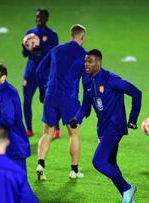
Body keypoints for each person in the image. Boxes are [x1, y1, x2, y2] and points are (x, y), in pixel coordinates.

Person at [72, 49, 141, 203]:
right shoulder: (87, 80)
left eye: (89, 61)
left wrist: (132, 120)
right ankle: (127, 196)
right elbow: (85, 107)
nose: (86, 65)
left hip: (115, 126)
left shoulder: (111, 79)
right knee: (110, 163)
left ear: (99, 63)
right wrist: (77, 118)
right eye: (85, 61)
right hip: (102, 127)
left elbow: (137, 93)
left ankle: (127, 188)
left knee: (99, 162)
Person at [35, 24, 86, 180]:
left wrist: (43, 91)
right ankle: (74, 170)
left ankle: (41, 164)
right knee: (74, 134)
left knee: (47, 133)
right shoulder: (84, 55)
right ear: (82, 37)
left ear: (71, 35)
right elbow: (87, 80)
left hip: (51, 96)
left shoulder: (56, 50)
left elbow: (39, 71)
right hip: (69, 100)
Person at [22, 8, 60, 138]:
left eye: (41, 17)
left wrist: (41, 49)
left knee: (49, 100)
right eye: (37, 17)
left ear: (46, 19)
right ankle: (28, 129)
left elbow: (55, 54)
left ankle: (56, 128)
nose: (39, 19)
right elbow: (24, 54)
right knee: (27, 100)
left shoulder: (52, 34)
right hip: (30, 73)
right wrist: (26, 47)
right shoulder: (30, 33)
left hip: (46, 74)